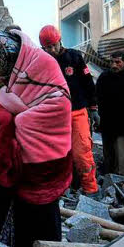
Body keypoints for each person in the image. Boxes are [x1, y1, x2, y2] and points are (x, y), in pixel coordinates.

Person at [0, 29, 72, 247]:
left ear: (13, 59)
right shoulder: (2, 68)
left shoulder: (43, 65)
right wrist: (5, 115)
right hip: (8, 156)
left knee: (39, 207)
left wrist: (21, 118)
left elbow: (59, 104)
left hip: (40, 157)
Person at [39, 25, 98, 194]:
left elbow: (88, 83)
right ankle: (64, 188)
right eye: (47, 47)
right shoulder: (43, 61)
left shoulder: (74, 57)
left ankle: (90, 189)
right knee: (59, 154)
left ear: (59, 41)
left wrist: (93, 107)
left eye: (53, 45)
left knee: (82, 153)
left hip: (77, 111)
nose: (51, 50)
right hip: (55, 115)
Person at [95, 52, 124, 176]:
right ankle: (108, 181)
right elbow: (97, 98)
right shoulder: (104, 78)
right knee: (108, 156)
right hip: (107, 123)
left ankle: (123, 183)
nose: (114, 65)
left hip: (123, 125)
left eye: (118, 62)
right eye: (112, 62)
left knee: (122, 158)